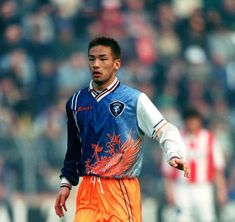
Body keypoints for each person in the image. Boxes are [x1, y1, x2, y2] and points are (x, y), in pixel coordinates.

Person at [54, 36, 190, 222]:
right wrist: (66, 184)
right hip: (88, 191)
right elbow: (74, 149)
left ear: (116, 64)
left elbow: (164, 129)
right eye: (92, 59)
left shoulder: (134, 99)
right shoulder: (76, 102)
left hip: (121, 189)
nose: (96, 64)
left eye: (103, 59)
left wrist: (174, 153)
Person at [162, 107, 227, 222]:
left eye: (194, 119)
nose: (191, 122)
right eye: (189, 119)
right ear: (184, 121)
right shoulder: (176, 140)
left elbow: (218, 168)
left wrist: (221, 191)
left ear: (199, 121)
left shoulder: (209, 138)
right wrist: (169, 191)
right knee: (181, 219)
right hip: (181, 188)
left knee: (206, 218)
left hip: (203, 188)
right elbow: (167, 170)